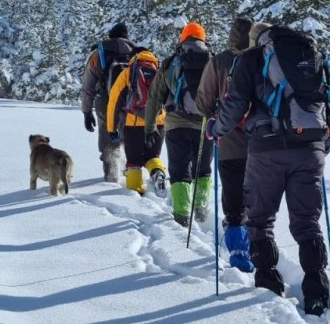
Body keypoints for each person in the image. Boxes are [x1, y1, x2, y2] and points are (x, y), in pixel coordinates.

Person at [206, 23, 330, 316]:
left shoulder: (251, 58)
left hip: (267, 150)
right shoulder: (311, 56)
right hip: (310, 149)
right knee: (307, 223)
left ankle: (268, 282)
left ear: (257, 41)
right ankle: (317, 291)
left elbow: (236, 103)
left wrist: (216, 128)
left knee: (260, 220)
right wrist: (323, 145)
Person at [196, 16, 255, 273]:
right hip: (261, 142)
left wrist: (213, 118)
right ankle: (260, 251)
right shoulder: (263, 58)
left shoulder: (219, 61)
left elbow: (203, 100)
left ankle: (240, 253)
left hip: (228, 139)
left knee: (233, 202)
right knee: (256, 200)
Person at [144, 23, 212, 227]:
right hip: (205, 126)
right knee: (203, 170)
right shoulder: (212, 61)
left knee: (180, 169)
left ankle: (182, 216)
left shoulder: (170, 63)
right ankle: (201, 211)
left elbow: (154, 98)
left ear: (183, 38)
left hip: (176, 124)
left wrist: (149, 127)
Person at [106, 48, 167, 195]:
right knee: (152, 156)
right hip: (158, 123)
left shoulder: (127, 73)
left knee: (134, 161)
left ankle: (136, 192)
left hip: (133, 125)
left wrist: (111, 128)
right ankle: (158, 173)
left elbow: (114, 102)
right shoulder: (161, 71)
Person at [80, 23, 135, 182]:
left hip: (106, 101)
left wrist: (87, 111)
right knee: (130, 137)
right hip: (130, 102)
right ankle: (132, 173)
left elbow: (87, 86)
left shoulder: (100, 53)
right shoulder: (136, 53)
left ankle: (111, 176)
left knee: (107, 135)